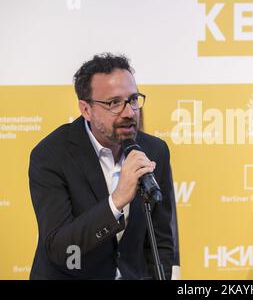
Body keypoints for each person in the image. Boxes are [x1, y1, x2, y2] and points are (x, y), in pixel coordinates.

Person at [29, 53, 179, 279]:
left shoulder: (154, 150)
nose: (129, 113)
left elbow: (160, 242)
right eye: (114, 103)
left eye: (133, 100)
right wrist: (116, 201)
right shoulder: (51, 155)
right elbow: (61, 248)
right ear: (86, 109)